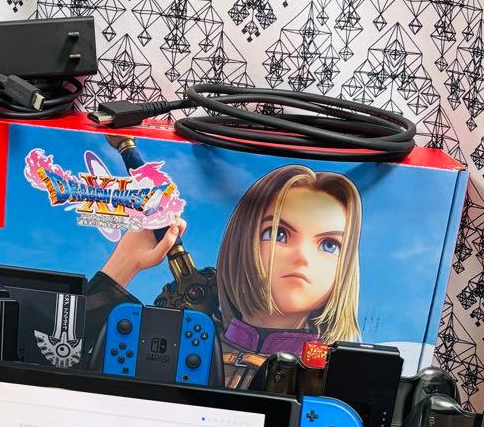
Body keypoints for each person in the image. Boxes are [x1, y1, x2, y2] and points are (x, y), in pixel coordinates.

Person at [85, 165, 363, 387]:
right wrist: (125, 262)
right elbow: (67, 364)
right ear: (242, 242)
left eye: (330, 245)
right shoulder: (186, 344)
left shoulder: (337, 377)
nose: (302, 257)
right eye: (278, 234)